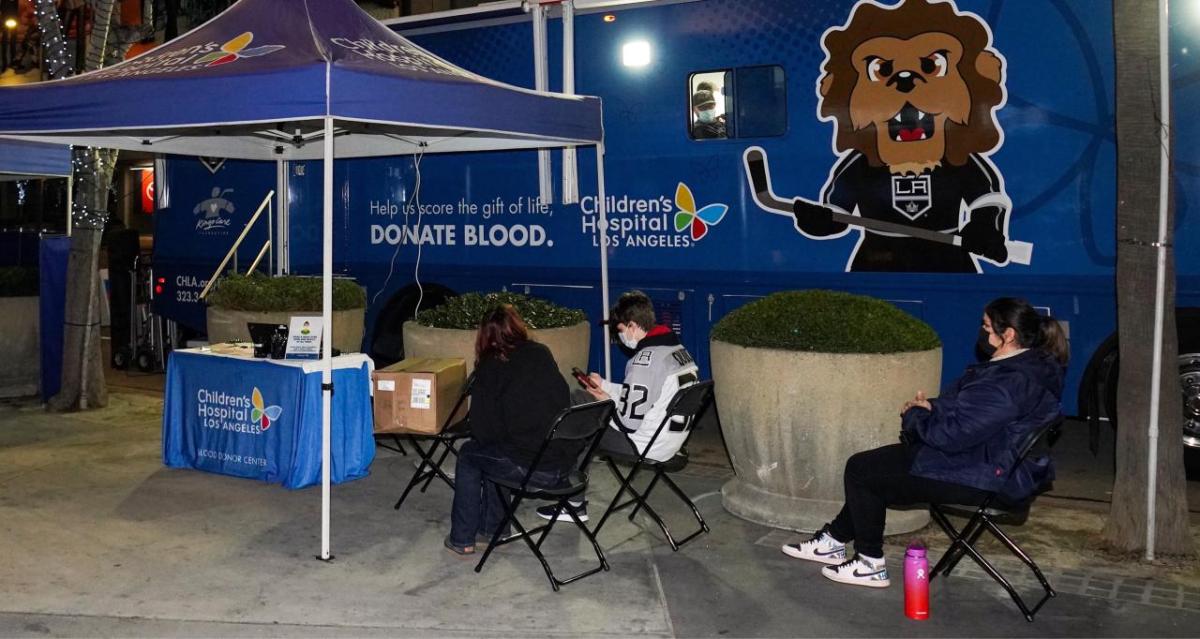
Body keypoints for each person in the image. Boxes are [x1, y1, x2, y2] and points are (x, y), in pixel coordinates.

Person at [781, 297, 1067, 588]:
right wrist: (932, 407)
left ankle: (869, 563)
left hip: (986, 476)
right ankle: (834, 540)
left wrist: (915, 417)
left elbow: (953, 436)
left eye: (986, 326)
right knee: (873, 466)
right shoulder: (1026, 367)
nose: (982, 332)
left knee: (862, 470)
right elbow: (971, 412)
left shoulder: (1010, 382)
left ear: (1008, 335)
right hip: (987, 462)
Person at [538, 290, 700, 521]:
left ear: (633, 325)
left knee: (580, 411)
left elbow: (628, 422)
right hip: (671, 442)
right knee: (586, 408)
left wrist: (604, 399)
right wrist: (604, 386)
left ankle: (569, 498)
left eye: (621, 330)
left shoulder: (644, 361)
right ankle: (570, 497)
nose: (620, 337)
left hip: (643, 443)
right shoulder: (678, 351)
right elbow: (647, 398)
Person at [445, 304, 572, 556]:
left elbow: (483, 431)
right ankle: (494, 529)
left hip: (531, 468)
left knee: (471, 454)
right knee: (498, 450)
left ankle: (462, 538)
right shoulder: (541, 352)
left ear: (484, 336)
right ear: (518, 326)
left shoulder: (490, 366)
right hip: (562, 464)